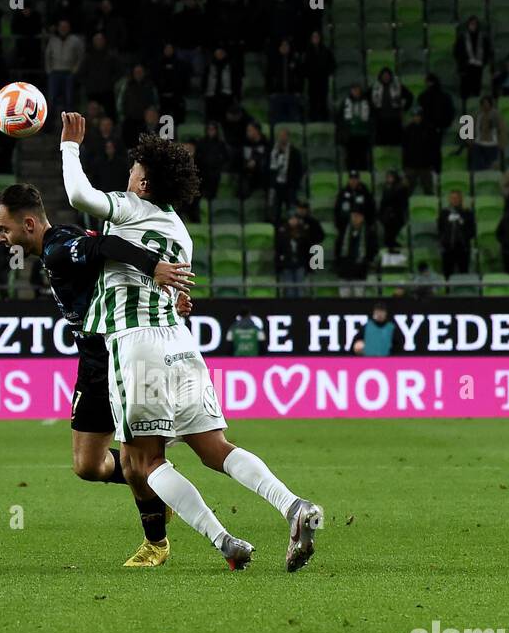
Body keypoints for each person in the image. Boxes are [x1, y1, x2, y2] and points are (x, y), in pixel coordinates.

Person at [57, 111, 322, 572]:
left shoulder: (130, 206)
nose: (130, 172)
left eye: (136, 169)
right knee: (216, 448)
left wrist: (68, 145)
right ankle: (294, 506)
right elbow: (174, 290)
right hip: (181, 344)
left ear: (143, 185)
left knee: (141, 462)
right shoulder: (179, 229)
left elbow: (79, 194)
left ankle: (225, 541)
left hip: (136, 344)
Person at [0, 182, 193, 567]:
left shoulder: (58, 248)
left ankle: (156, 544)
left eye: (4, 229)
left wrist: (156, 271)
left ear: (29, 223)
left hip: (121, 354)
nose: (1, 238)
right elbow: (109, 264)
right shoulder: (60, 244)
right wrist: (161, 294)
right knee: (88, 465)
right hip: (93, 362)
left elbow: (109, 248)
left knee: (137, 461)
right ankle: (160, 485)